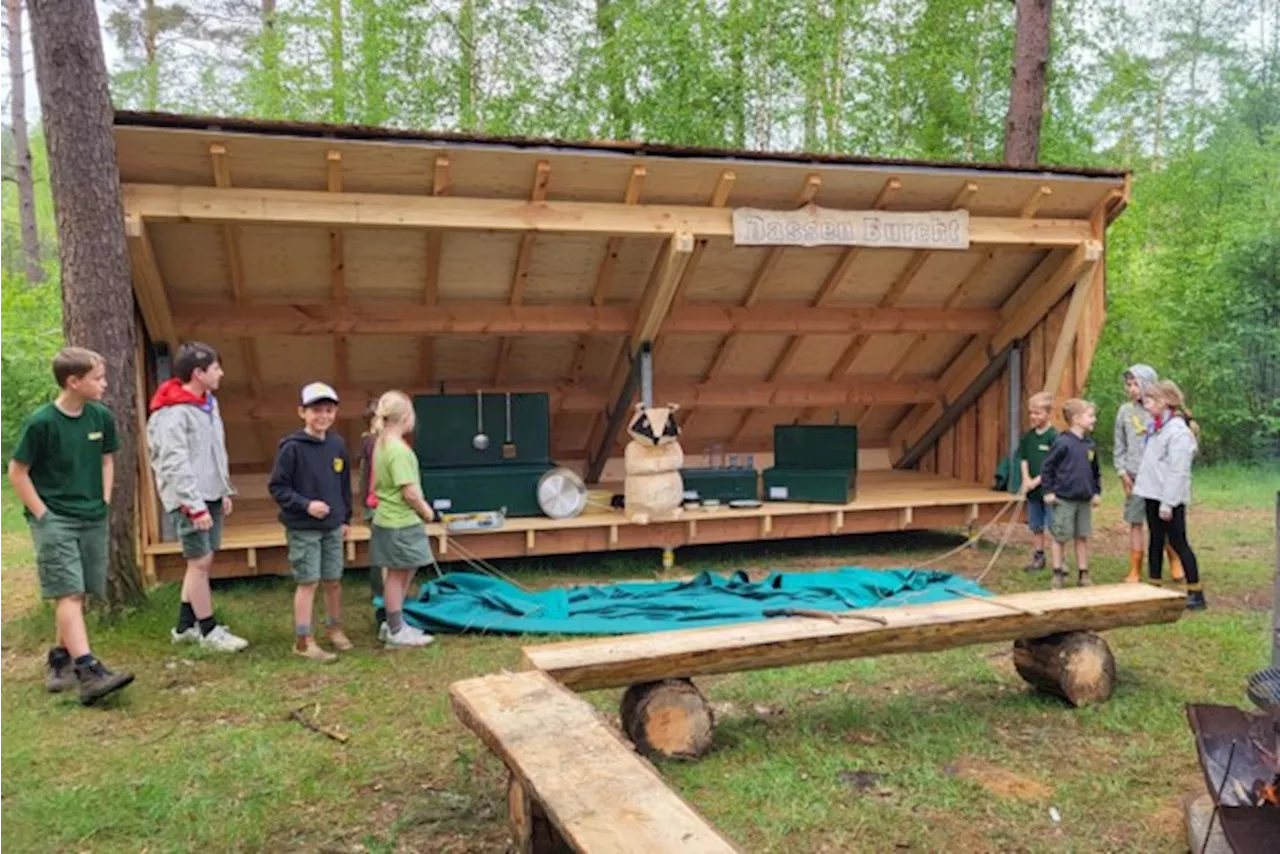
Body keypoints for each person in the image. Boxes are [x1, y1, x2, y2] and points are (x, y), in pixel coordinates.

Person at [7, 347, 134, 705]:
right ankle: (88, 670)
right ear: (73, 381)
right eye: (98, 378)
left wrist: (105, 500)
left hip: (92, 515)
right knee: (70, 592)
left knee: (81, 591)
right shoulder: (41, 422)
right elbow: (17, 473)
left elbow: (107, 460)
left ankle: (59, 659)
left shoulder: (100, 417)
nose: (104, 384)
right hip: (55, 519)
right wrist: (43, 514)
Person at [147, 341, 248, 652]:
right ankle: (208, 630)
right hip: (190, 501)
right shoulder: (173, 414)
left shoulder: (208, 403)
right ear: (198, 373)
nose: (221, 373)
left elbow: (215, 451)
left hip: (211, 494)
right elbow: (174, 463)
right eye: (216, 368)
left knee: (201, 562)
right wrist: (194, 506)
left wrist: (223, 489)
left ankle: (184, 626)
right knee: (199, 562)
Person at [268, 382, 353, 662]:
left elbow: (343, 484)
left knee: (333, 579)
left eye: (328, 410)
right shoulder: (292, 448)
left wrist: (345, 518)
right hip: (303, 527)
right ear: (302, 412)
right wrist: (306, 505)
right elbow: (278, 488)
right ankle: (303, 640)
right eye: (316, 410)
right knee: (309, 581)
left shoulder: (337, 444)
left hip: (333, 526)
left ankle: (334, 628)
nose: (323, 416)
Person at [368, 390, 436, 648]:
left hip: (389, 519)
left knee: (401, 572)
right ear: (406, 417)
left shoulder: (381, 443)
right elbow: (409, 490)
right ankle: (396, 630)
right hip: (401, 521)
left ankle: (395, 623)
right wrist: (426, 510)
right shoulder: (398, 450)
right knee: (397, 576)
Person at [1133, 380, 1204, 609]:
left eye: (1151, 400)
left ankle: (1196, 592)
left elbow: (1178, 470)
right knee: (1155, 539)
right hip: (1152, 493)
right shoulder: (1157, 426)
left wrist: (1168, 502)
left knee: (1178, 542)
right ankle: (1153, 587)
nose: (1146, 404)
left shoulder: (1178, 432)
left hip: (1169, 498)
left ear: (1165, 402)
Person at [1113, 364, 1184, 584]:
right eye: (1129, 384)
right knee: (1135, 522)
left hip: (1157, 479)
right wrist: (1122, 472)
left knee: (1161, 525)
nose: (1132, 389)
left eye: (1136, 384)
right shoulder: (1125, 411)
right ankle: (1135, 566)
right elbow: (1119, 445)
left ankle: (1174, 560)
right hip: (1134, 478)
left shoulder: (1158, 411)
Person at [1041, 398, 1102, 590]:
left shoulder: (1090, 444)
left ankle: (1083, 573)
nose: (1094, 419)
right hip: (1063, 499)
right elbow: (1047, 468)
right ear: (1076, 419)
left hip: (1083, 499)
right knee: (1060, 537)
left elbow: (1095, 471)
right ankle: (1058, 572)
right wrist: (1048, 491)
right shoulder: (1062, 443)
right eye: (1090, 416)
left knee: (1082, 536)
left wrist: (1096, 492)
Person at [1017, 391, 1059, 572]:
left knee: (1054, 525)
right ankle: (1038, 556)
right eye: (1031, 413)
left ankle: (1059, 559)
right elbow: (1023, 458)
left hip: (1049, 490)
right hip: (1033, 491)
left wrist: (1037, 481)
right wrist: (1026, 479)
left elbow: (1053, 465)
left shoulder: (1054, 437)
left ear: (1048, 414)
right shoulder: (1028, 437)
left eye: (1038, 413)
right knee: (1036, 525)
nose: (1033, 417)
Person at [356, 399, 386, 630]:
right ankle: (380, 593)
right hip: (374, 504)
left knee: (382, 548)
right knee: (380, 550)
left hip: (375, 503)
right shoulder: (372, 441)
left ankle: (384, 591)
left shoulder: (377, 440)